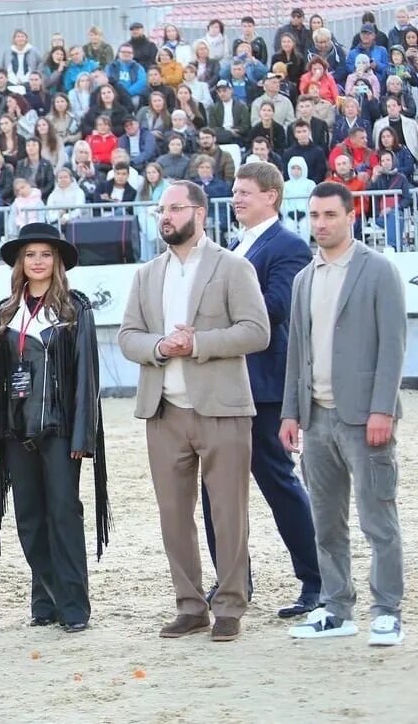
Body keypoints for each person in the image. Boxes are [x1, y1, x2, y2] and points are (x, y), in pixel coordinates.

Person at [118, 180, 270, 643]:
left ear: (199, 212)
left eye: (175, 208)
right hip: (164, 410)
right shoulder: (146, 274)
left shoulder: (233, 266)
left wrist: (198, 343)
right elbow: (127, 337)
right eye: (161, 209)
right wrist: (162, 346)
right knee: (172, 514)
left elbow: (256, 331)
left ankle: (228, 606)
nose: (165, 216)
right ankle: (189, 605)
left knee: (228, 513)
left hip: (222, 408)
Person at [194, 162, 322, 618]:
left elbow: (276, 308)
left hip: (264, 385)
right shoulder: (236, 245)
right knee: (216, 489)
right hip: (226, 382)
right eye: (234, 191)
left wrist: (216, 316)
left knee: (278, 484)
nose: (237, 198)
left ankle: (316, 579)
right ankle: (233, 582)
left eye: (245, 191)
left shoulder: (287, 246)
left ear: (272, 195)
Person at [282, 182, 406, 646]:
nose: (320, 224)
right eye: (314, 216)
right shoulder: (304, 279)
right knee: (326, 523)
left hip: (364, 419)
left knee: (378, 519)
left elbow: (393, 346)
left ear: (350, 215)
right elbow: (297, 350)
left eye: (329, 215)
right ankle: (336, 608)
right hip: (316, 421)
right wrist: (291, 413)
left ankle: (387, 611)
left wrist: (382, 410)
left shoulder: (378, 271)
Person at [0, 223, 108, 632]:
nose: (38, 261)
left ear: (57, 262)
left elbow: (88, 374)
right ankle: (45, 598)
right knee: (29, 517)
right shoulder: (5, 311)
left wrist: (82, 435)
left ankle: (72, 606)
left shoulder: (74, 309)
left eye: (46, 254)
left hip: (59, 430)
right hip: (15, 433)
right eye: (30, 255)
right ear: (20, 262)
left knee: (63, 514)